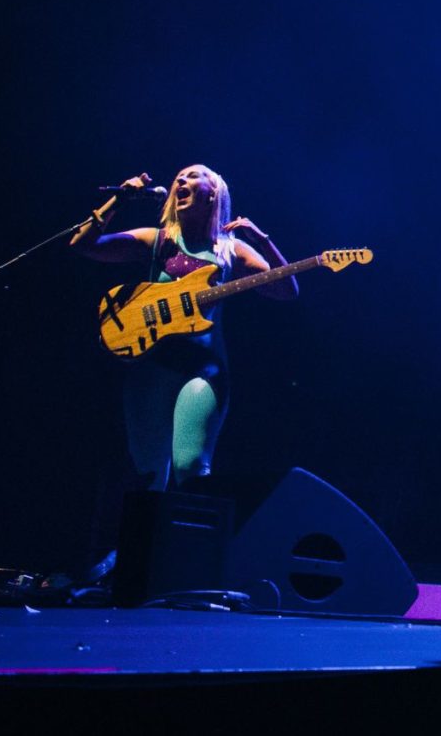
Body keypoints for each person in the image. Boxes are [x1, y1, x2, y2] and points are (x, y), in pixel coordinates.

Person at [69, 165, 297, 496]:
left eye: (192, 176)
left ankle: (193, 529)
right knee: (147, 475)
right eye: (179, 177)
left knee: (191, 468)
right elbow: (84, 244)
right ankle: (145, 531)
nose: (181, 180)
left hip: (203, 369)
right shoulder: (157, 240)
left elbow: (287, 289)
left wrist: (261, 240)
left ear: (213, 193)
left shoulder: (230, 250)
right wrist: (119, 200)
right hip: (152, 366)